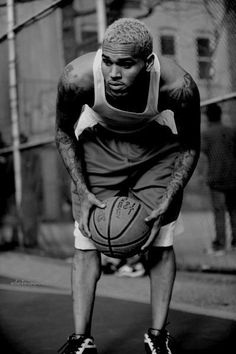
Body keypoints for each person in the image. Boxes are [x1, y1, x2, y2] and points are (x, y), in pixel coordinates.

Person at [55, 18, 200, 354]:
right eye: (107, 61)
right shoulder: (77, 78)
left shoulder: (177, 86)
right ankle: (81, 339)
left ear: (148, 63)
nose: (113, 74)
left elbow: (190, 146)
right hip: (98, 143)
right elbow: (64, 133)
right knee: (86, 240)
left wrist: (168, 198)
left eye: (125, 64)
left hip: (156, 148)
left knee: (160, 239)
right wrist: (82, 187)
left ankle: (158, 334)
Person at [202, 103, 236, 255]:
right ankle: (235, 242)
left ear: (208, 117)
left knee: (219, 212)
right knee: (234, 211)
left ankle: (220, 245)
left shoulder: (207, 134)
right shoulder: (231, 131)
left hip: (216, 177)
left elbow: (204, 151)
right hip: (233, 176)